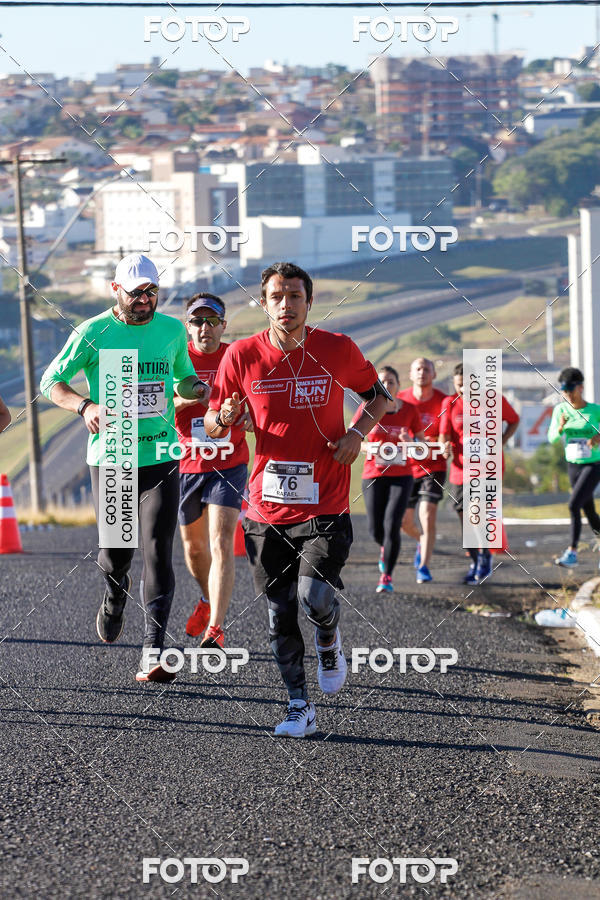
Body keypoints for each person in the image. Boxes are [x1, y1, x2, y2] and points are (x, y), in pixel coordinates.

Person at [204, 261, 389, 737]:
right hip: (266, 506)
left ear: (309, 301)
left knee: (314, 596)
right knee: (278, 609)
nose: (286, 305)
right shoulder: (241, 356)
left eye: (295, 296)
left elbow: (379, 396)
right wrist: (222, 416)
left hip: (325, 500)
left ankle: (328, 637)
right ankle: (297, 705)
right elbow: (210, 422)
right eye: (276, 297)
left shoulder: (337, 348)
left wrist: (356, 433)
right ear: (263, 303)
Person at [40, 254, 209, 682]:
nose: (145, 300)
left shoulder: (171, 330)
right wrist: (85, 405)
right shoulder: (94, 332)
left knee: (157, 549)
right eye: (136, 292)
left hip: (161, 455)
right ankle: (115, 593)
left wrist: (196, 387)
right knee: (116, 555)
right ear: (116, 290)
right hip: (113, 457)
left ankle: (153, 651)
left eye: (152, 291)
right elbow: (51, 382)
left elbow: (183, 377)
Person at [174, 292, 251, 648]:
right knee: (194, 549)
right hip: (186, 462)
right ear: (187, 326)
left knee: (221, 543)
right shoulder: (176, 357)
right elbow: (157, 402)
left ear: (223, 325)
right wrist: (196, 398)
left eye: (211, 321)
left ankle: (216, 628)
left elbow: (255, 399)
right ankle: (206, 598)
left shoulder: (237, 356)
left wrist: (247, 416)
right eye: (197, 321)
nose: (204, 328)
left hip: (229, 461)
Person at [439, 362, 519, 584]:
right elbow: (444, 434)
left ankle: (485, 557)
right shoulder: (450, 403)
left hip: (488, 469)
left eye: (467, 385)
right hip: (460, 470)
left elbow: (513, 420)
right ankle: (475, 560)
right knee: (465, 518)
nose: (463, 390)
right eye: (459, 385)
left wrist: (501, 441)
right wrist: (444, 445)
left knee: (476, 513)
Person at [351, 365, 425, 594]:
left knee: (392, 525)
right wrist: (369, 446)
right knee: (375, 530)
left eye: (391, 382)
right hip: (374, 475)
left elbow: (422, 447)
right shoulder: (367, 408)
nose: (387, 385)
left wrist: (409, 441)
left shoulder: (410, 411)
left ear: (398, 385)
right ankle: (385, 549)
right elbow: (353, 437)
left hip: (401, 476)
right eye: (382, 381)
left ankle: (386, 576)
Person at [399, 357, 447, 583]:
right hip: (407, 468)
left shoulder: (443, 401)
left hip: (434, 467)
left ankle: (424, 567)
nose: (422, 373)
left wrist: (443, 443)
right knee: (404, 523)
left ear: (434, 374)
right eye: (417, 369)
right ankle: (423, 541)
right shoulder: (401, 400)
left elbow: (450, 432)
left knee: (427, 515)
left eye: (426, 369)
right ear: (411, 374)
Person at [547, 366, 600, 568]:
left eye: (571, 389)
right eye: (564, 390)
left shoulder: (594, 410)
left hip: (593, 464)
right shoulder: (560, 410)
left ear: (581, 388)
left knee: (573, 505)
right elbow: (552, 439)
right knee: (590, 512)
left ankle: (572, 552)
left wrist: (598, 436)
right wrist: (560, 427)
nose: (567, 394)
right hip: (573, 466)